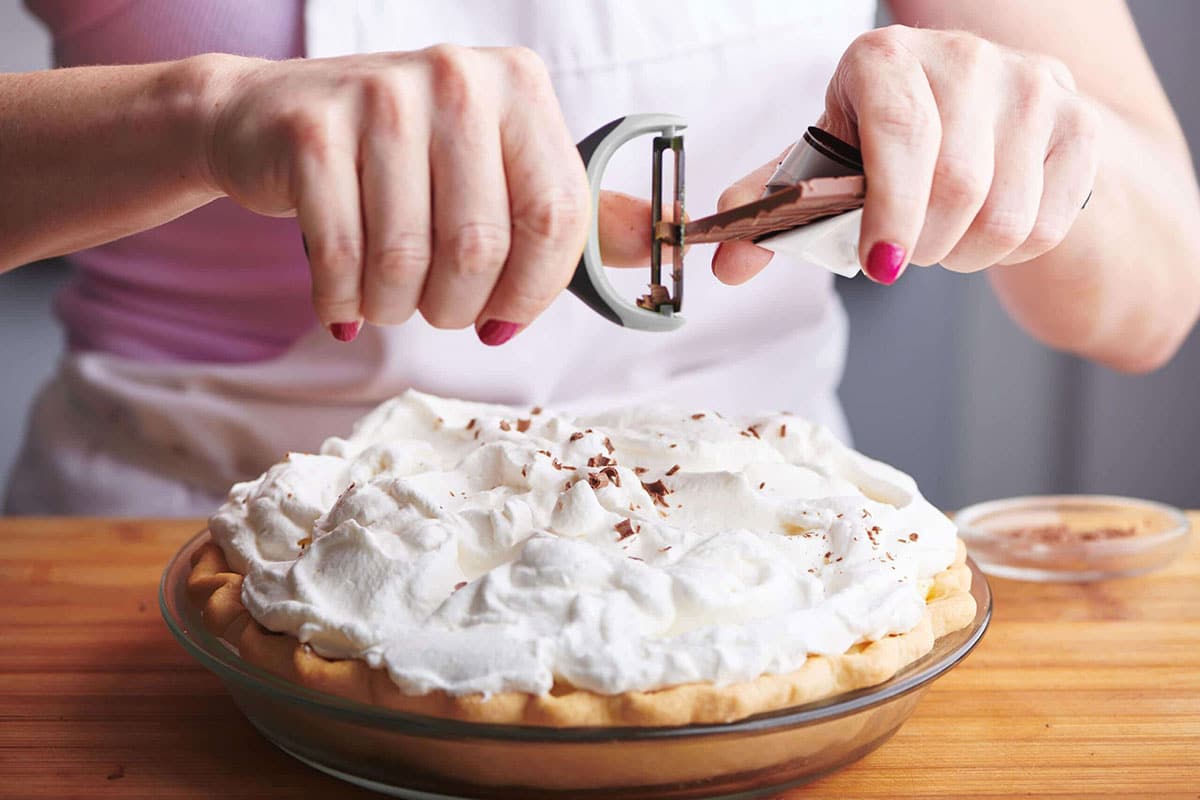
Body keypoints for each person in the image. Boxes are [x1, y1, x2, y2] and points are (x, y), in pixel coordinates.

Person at [2, 0, 1198, 516]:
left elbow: (1154, 295)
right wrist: (200, 116)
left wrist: (1033, 153)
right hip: (181, 556)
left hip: (756, 553)